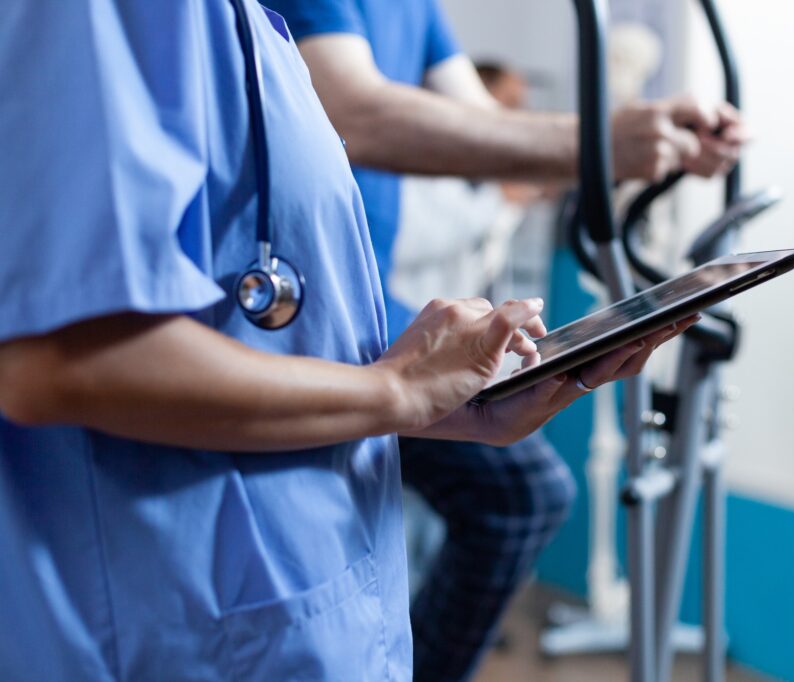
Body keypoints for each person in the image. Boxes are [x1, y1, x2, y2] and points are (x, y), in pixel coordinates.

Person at [0, 1, 696, 679]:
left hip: (303, 607)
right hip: (176, 623)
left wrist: (448, 407)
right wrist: (395, 389)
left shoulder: (256, 29)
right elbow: (61, 359)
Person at [263, 1, 747, 680]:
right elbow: (352, 114)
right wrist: (600, 141)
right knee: (514, 493)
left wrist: (638, 143)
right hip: (299, 309)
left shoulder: (415, 9)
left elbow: (492, 132)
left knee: (518, 490)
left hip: (366, 303)